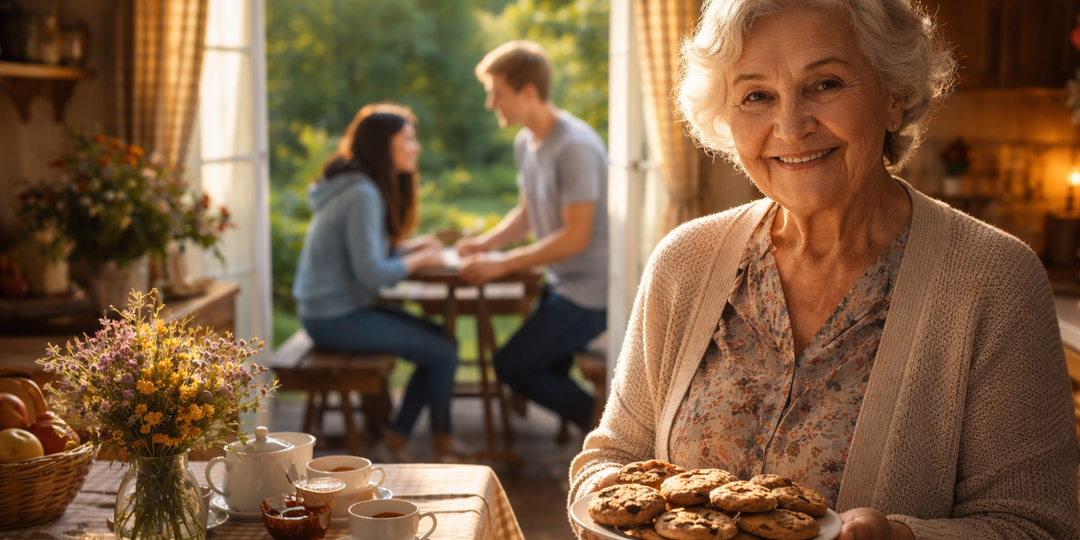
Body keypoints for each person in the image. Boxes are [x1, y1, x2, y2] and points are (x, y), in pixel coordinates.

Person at [569, 1, 1079, 539]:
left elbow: (1037, 527)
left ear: (894, 97)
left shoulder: (993, 279)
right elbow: (612, 457)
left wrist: (902, 538)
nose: (790, 126)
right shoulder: (685, 262)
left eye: (827, 84)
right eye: (757, 95)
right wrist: (608, 509)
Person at [292, 103, 461, 462]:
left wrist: (408, 248)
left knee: (442, 345)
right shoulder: (362, 194)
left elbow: (367, 254)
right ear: (384, 146)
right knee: (443, 350)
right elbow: (371, 273)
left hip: (336, 309)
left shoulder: (355, 187)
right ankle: (428, 442)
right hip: (333, 317)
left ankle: (406, 440)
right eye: (408, 140)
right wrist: (419, 259)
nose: (415, 148)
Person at [456, 40, 609, 436]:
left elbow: (576, 238)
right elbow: (527, 213)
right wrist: (484, 244)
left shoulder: (575, 147)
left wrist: (501, 263)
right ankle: (590, 436)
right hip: (562, 283)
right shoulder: (525, 141)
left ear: (527, 93)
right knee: (539, 364)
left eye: (497, 93)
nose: (491, 104)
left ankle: (606, 430)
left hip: (593, 293)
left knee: (514, 365)